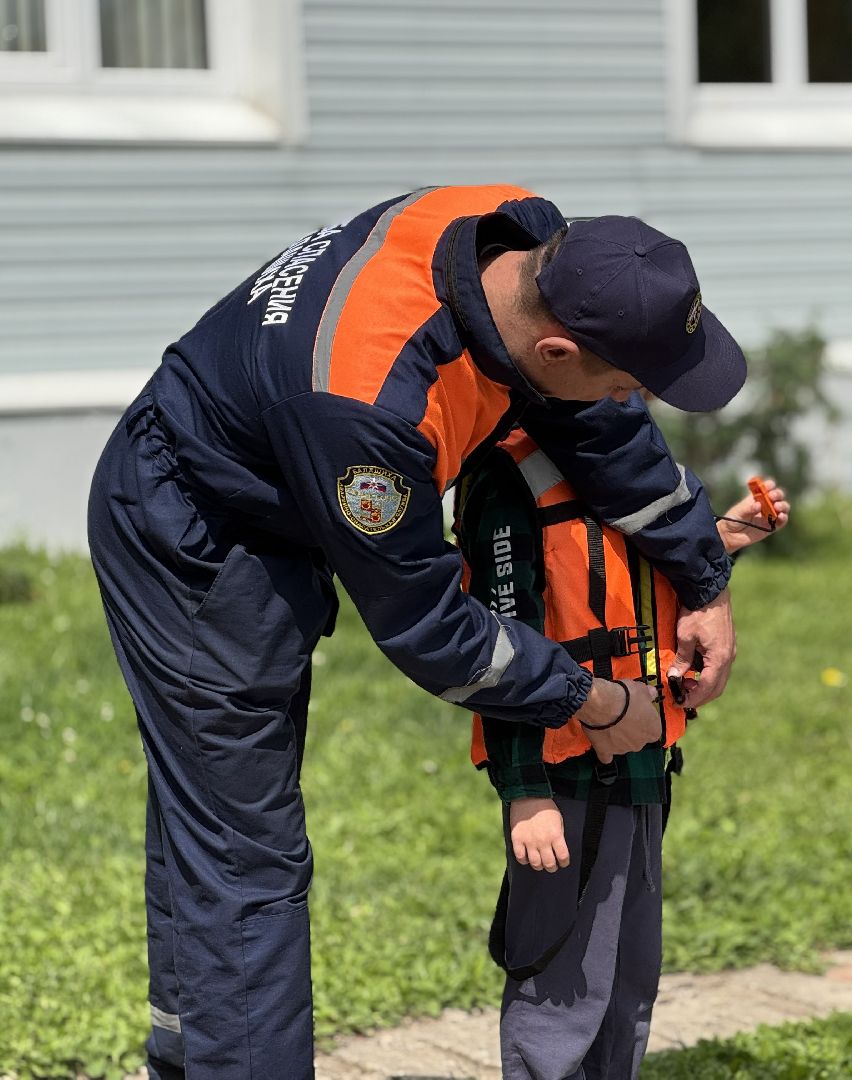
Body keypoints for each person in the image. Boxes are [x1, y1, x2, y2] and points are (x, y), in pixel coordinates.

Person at [87, 185, 749, 1079]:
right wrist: (588, 700)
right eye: (630, 379)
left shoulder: (519, 236)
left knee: (206, 824)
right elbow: (430, 625)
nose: (636, 399)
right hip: (198, 526)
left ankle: (190, 1057)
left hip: (284, 445)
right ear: (553, 348)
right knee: (243, 850)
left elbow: (594, 421)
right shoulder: (370, 408)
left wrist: (703, 576)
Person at [455, 442, 788, 1080]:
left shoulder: (626, 462)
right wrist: (525, 790)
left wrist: (722, 540)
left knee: (631, 975)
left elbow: (630, 579)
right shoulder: (509, 477)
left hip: (642, 772)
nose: (632, 391)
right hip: (562, 778)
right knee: (562, 985)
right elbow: (503, 648)